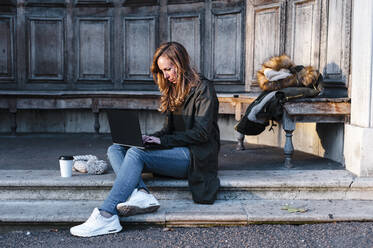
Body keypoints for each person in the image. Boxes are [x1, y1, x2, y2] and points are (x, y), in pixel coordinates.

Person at [70, 42, 220, 237]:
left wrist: (161, 142)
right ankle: (141, 193)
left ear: (181, 64)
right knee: (116, 149)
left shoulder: (204, 88)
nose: (165, 75)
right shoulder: (174, 89)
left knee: (136, 153)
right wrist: (151, 138)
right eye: (162, 70)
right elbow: (168, 131)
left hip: (196, 156)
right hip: (177, 150)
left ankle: (107, 214)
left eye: (168, 69)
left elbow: (202, 134)